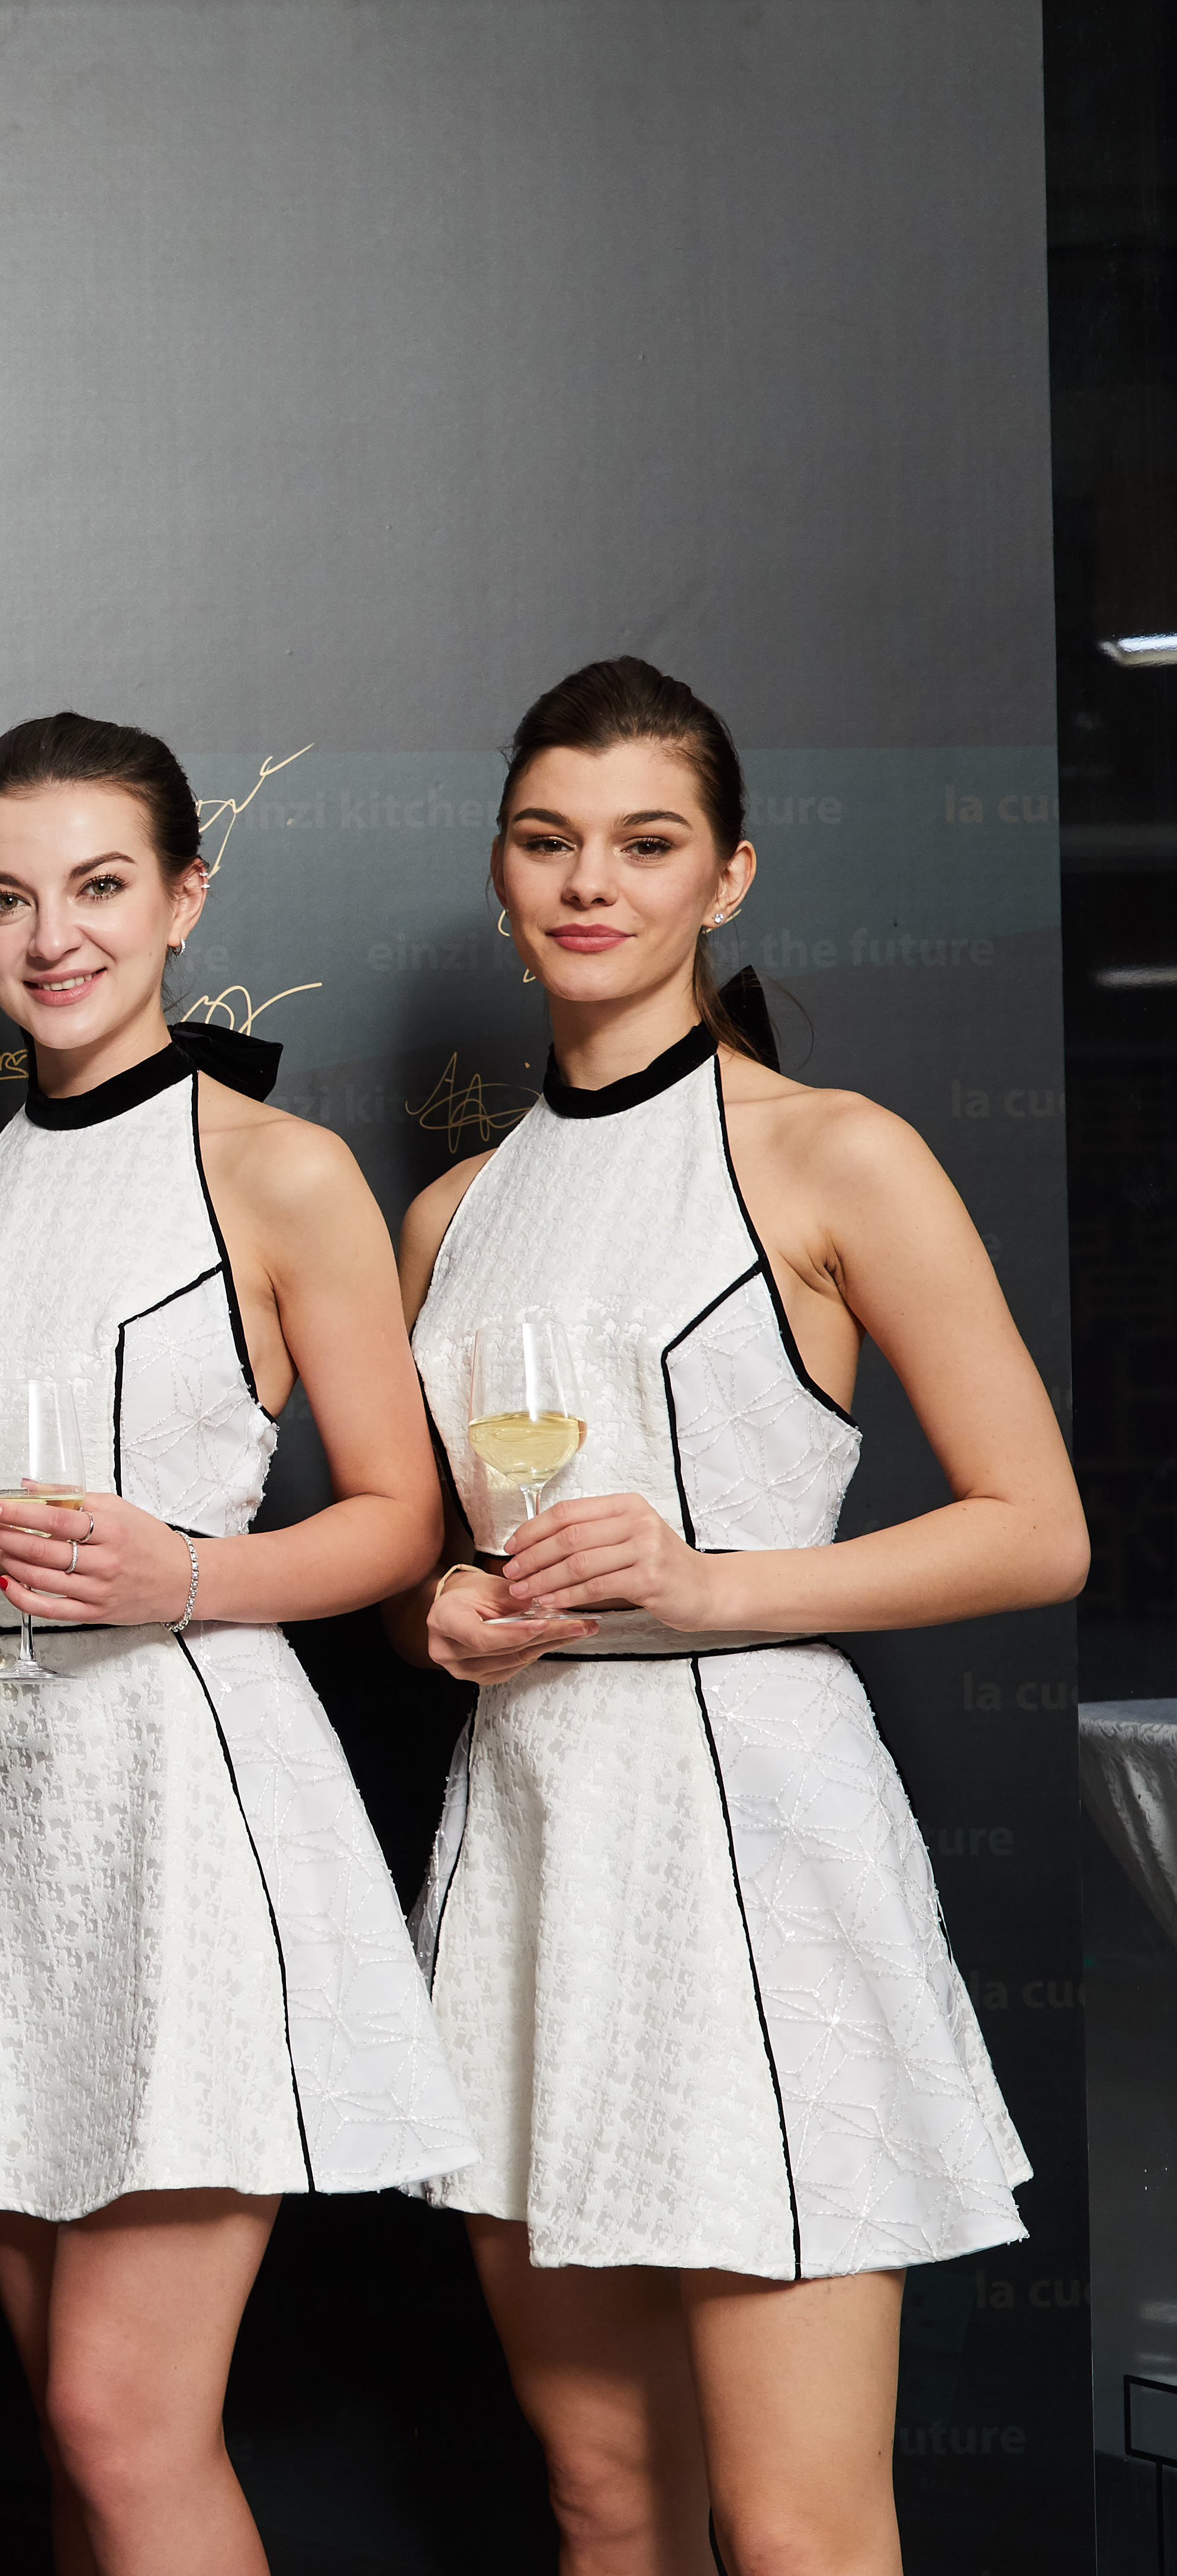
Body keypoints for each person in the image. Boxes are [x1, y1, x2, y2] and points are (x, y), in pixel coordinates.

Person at [391, 657, 1082, 2574]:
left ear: (729, 874)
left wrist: (714, 1583)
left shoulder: (832, 1149)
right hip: (530, 1838)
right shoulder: (449, 1212)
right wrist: (443, 1609)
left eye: (644, 843)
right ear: (500, 871)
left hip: (755, 1839)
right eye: (547, 840)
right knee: (603, 2498)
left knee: (791, 2523)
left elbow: (1036, 1530)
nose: (588, 883)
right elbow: (437, 1570)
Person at [0, 712, 468, 2572]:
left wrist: (179, 1571)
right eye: (4, 897)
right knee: (73, 2439)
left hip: (182, 1799)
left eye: (98, 886)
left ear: (184, 895)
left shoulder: (279, 1170)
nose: (52, 937)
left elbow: (396, 1518)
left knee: (119, 2418)